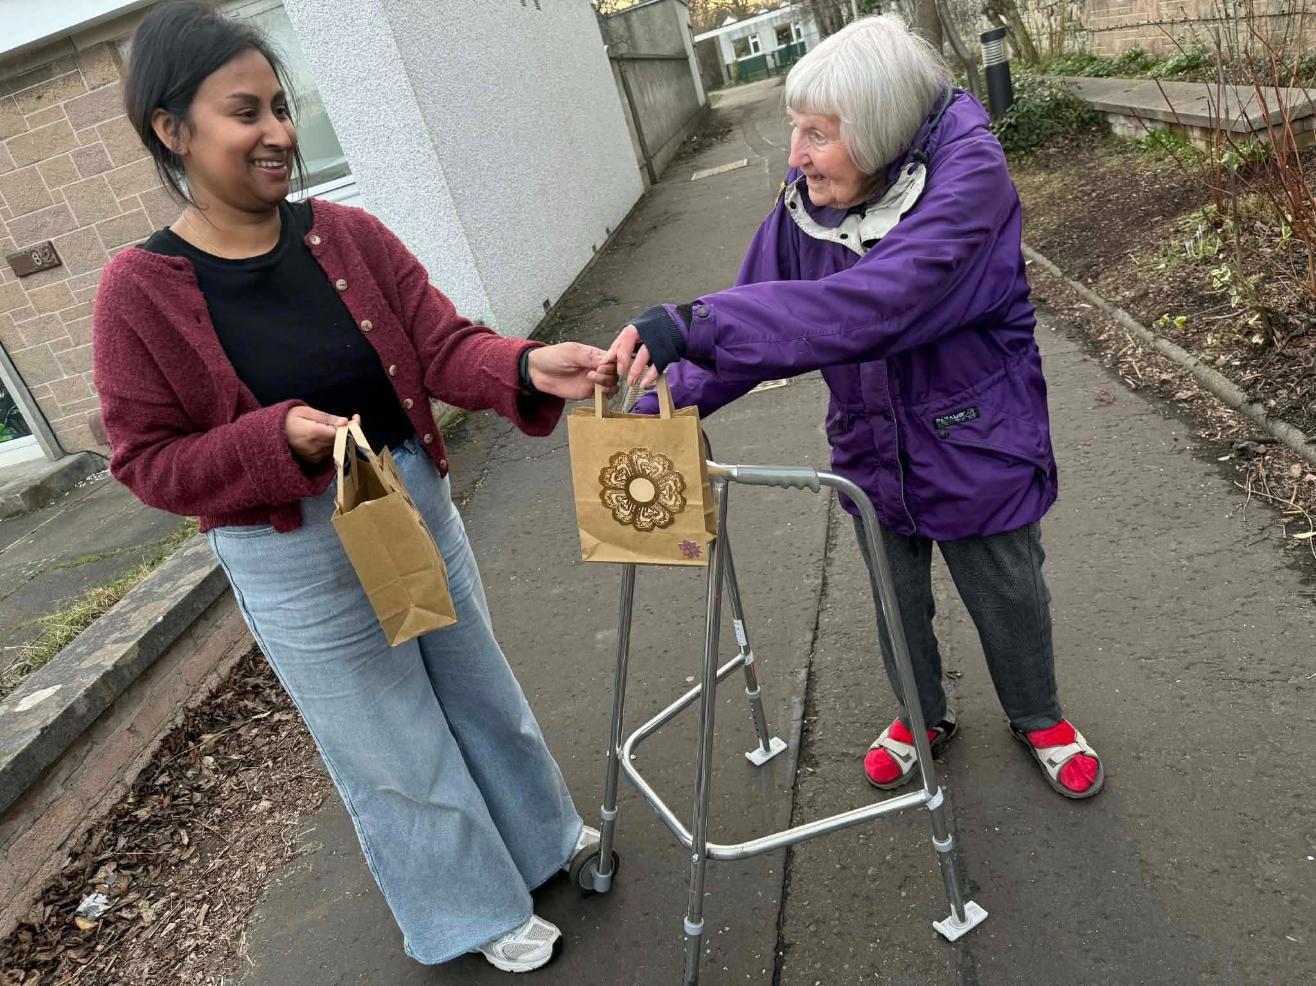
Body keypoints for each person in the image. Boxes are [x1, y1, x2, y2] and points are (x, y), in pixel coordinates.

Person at [92, 1, 617, 971]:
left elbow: (441, 343)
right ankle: (468, 907)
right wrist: (265, 440)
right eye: (244, 112)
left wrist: (526, 366)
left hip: (410, 500)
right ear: (171, 130)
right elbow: (145, 460)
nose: (278, 131)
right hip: (295, 552)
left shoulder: (348, 233)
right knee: (391, 743)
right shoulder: (138, 291)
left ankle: (543, 841)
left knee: (480, 693)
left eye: (282, 107)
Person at [608, 15, 1103, 800]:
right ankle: (920, 712)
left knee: (1007, 594)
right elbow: (754, 315)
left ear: (876, 131)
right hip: (873, 444)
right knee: (894, 598)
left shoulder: (970, 187)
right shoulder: (812, 199)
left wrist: (695, 322)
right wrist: (666, 401)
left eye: (817, 134)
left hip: (977, 441)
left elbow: (876, 305)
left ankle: (1036, 712)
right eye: (794, 130)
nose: (796, 154)